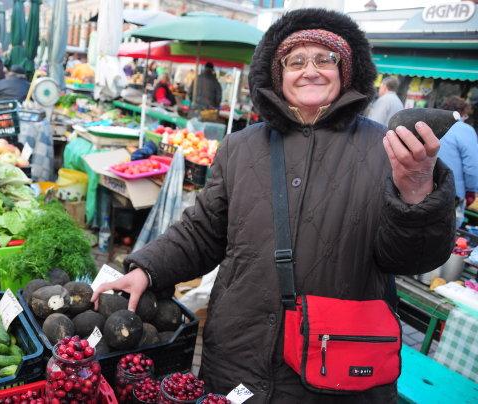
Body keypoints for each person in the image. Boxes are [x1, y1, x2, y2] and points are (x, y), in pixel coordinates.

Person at [91, 8, 455, 403]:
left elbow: (411, 258)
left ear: (346, 70)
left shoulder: (384, 149)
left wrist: (417, 192)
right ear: (277, 74)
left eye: (325, 59)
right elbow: (202, 231)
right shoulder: (241, 148)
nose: (310, 70)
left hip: (336, 368)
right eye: (295, 61)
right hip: (238, 357)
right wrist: (147, 268)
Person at [437, 95, 478, 228]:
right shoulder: (466, 130)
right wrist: (471, 190)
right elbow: (472, 165)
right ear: (462, 113)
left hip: (427, 187)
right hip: (452, 192)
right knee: (448, 231)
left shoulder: (432, 124)